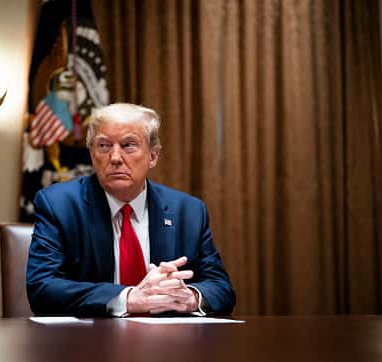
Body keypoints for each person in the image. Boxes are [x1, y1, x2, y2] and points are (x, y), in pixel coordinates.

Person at [26, 103, 235, 317]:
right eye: (104, 146)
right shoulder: (59, 205)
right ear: (92, 155)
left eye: (128, 145)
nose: (115, 158)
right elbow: (42, 288)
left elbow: (221, 288)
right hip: (88, 343)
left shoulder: (188, 211)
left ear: (153, 156)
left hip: (167, 344)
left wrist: (189, 297)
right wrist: (127, 298)